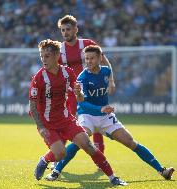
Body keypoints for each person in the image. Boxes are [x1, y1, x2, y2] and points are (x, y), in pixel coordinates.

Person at [46, 45, 175, 181]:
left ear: (100, 58)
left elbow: (109, 69)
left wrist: (112, 82)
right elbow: (82, 102)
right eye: (86, 59)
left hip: (105, 117)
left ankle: (162, 170)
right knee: (80, 142)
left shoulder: (106, 71)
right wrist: (97, 107)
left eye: (92, 58)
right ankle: (56, 171)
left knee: (130, 142)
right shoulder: (82, 77)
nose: (88, 61)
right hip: (87, 115)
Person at [29, 39, 127, 185]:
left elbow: (79, 97)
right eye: (41, 56)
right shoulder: (39, 78)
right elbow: (32, 105)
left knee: (88, 145)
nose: (43, 59)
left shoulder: (67, 73)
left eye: (47, 56)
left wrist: (78, 93)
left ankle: (113, 178)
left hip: (66, 119)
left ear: (57, 56)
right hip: (47, 123)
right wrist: (41, 127)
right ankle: (44, 160)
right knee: (60, 153)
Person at [49, 14, 114, 170]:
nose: (65, 33)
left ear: (76, 29)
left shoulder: (87, 44)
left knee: (97, 121)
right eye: (62, 30)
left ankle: (100, 159)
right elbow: (54, 70)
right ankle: (58, 158)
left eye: (68, 29)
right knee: (65, 124)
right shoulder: (60, 50)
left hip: (91, 92)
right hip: (71, 93)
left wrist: (111, 80)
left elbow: (104, 61)